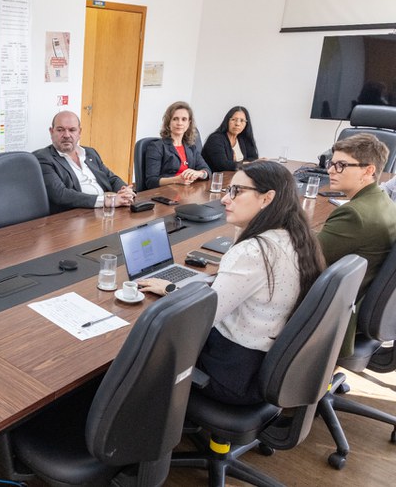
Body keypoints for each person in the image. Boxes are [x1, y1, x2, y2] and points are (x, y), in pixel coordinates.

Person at [138, 161, 324, 404]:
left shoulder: (253, 252)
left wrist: (170, 290)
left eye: (237, 191)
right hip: (265, 364)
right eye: (228, 190)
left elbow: (200, 320)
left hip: (232, 373)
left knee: (141, 348)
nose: (225, 199)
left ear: (267, 198)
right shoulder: (296, 237)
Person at [317, 133, 396, 356]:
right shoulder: (385, 203)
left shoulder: (354, 214)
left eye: (341, 165)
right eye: (331, 164)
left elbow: (305, 258)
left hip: (334, 316)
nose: (330, 170)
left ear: (368, 171)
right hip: (359, 306)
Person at [34, 111, 136, 214]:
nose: (66, 135)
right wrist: (107, 201)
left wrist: (125, 190)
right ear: (51, 132)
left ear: (79, 132)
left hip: (106, 211)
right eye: (60, 130)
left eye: (72, 130)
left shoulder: (90, 153)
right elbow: (60, 194)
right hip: (76, 215)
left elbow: (111, 178)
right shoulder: (43, 158)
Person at [144, 101, 211, 189]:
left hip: (188, 192)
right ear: (169, 122)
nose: (179, 123)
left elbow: (208, 171)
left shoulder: (191, 147)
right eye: (175, 119)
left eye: (184, 119)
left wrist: (199, 173)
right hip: (166, 193)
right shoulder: (157, 147)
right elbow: (151, 181)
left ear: (189, 123)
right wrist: (176, 180)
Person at [201, 106, 259, 171]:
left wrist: (236, 163)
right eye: (234, 119)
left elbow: (254, 158)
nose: (237, 124)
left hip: (237, 178)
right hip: (216, 179)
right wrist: (247, 163)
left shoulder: (244, 139)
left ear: (246, 124)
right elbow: (223, 165)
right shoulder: (215, 139)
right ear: (227, 121)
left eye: (242, 120)